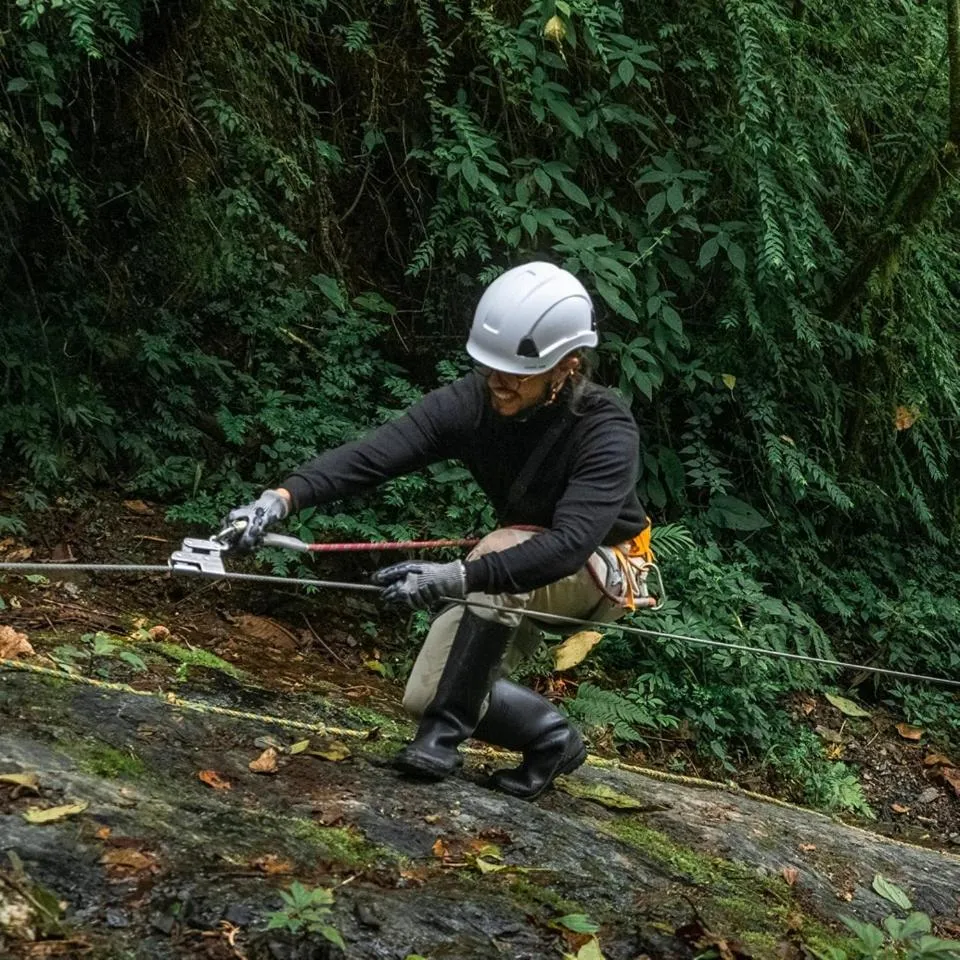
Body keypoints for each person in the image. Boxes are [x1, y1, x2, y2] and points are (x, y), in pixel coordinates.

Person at [226, 262, 650, 800]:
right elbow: (377, 454)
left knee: (496, 554)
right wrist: (279, 499)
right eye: (488, 367)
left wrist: (458, 575)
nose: (496, 382)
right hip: (512, 566)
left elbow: (567, 545)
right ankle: (552, 737)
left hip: (603, 568)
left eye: (515, 373)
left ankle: (440, 741)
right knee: (427, 691)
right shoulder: (474, 403)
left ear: (565, 366)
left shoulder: (605, 429)